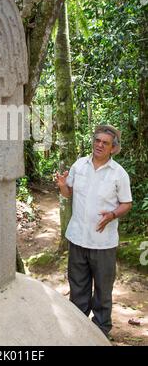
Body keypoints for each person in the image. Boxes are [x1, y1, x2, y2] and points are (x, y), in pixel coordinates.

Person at [55, 124, 132, 338]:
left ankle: (100, 334)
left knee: (103, 292)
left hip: (103, 243)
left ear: (112, 148)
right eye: (97, 140)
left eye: (104, 143)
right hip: (78, 238)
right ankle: (79, 334)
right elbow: (68, 193)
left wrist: (112, 215)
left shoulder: (119, 174)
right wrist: (62, 185)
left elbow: (127, 203)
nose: (99, 145)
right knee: (78, 288)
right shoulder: (79, 165)